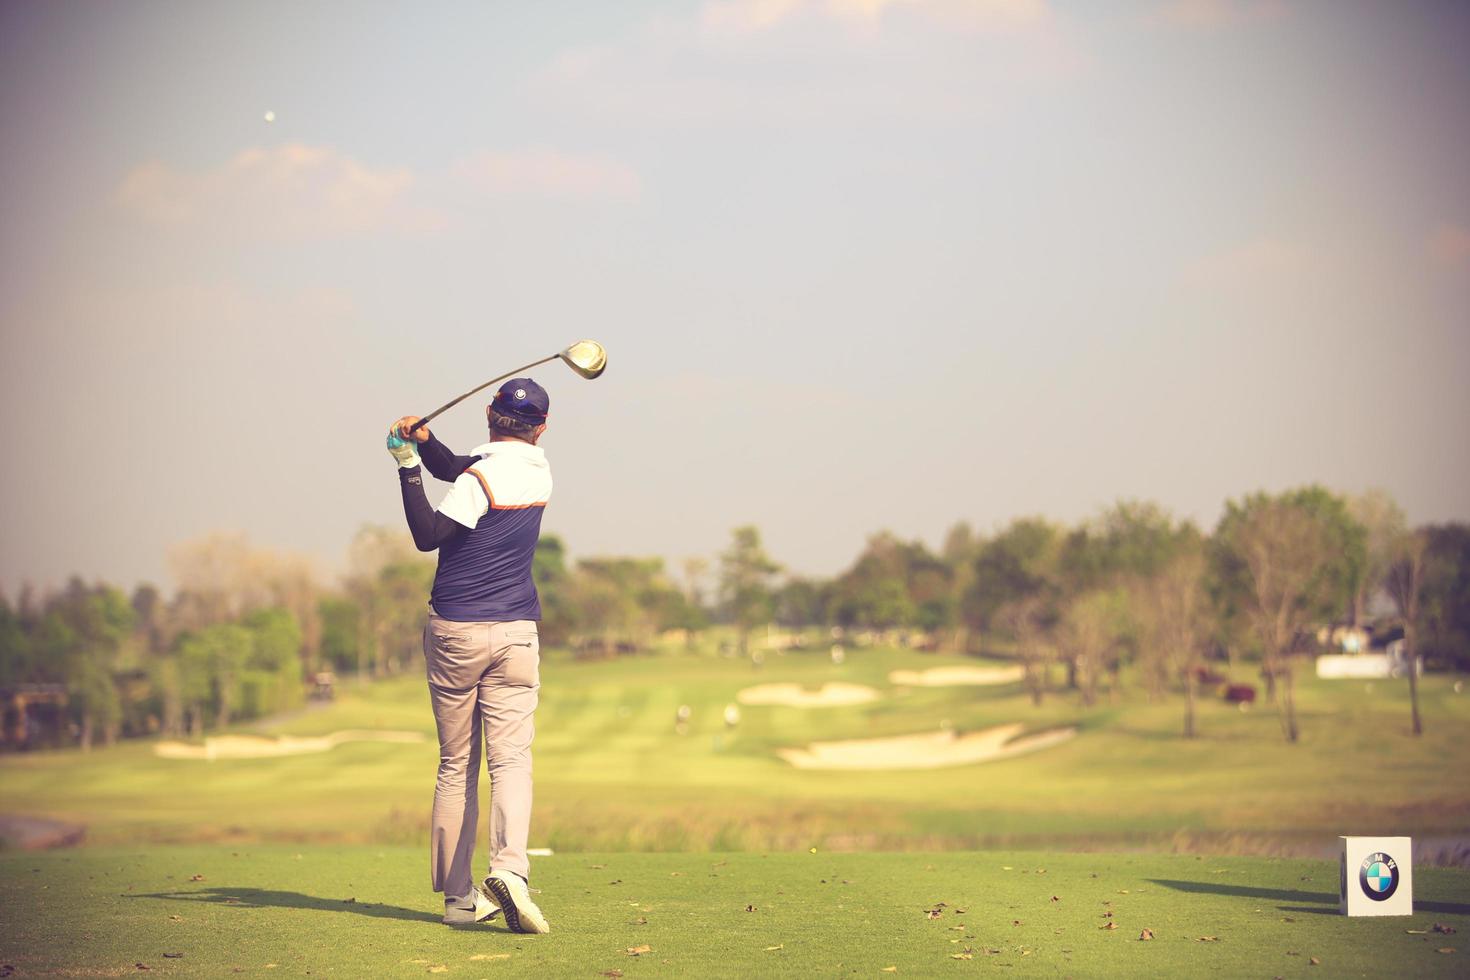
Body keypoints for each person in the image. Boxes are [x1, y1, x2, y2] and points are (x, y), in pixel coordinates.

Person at [385, 378, 554, 934]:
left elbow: (428, 534)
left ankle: (459, 898)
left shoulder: (479, 475)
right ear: (541, 428)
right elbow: (459, 466)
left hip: (456, 632)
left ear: (489, 413)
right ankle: (511, 871)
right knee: (511, 761)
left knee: (457, 764)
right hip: (515, 636)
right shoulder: (537, 469)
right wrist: (430, 444)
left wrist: (408, 465)